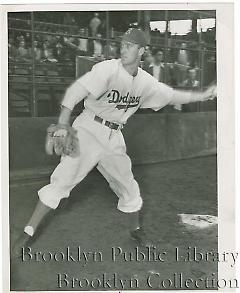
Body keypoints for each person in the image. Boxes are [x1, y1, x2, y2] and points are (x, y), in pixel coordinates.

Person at [12, 28, 216, 257]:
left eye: (130, 45)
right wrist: (62, 123)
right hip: (88, 129)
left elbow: (172, 96)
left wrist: (204, 95)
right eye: (123, 43)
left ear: (142, 50)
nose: (124, 48)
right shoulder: (108, 69)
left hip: (113, 137)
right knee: (62, 180)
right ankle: (28, 233)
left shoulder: (146, 83)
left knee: (128, 185)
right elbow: (75, 92)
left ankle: (135, 230)